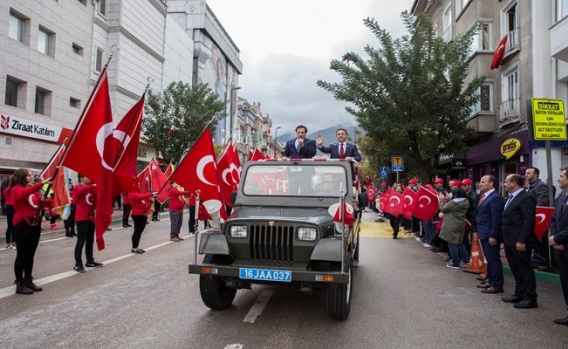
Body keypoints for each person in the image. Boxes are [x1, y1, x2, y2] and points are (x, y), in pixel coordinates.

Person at [11, 168, 51, 294]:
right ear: (21, 177)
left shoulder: (32, 190)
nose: (30, 177)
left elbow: (40, 203)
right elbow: (21, 195)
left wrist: (45, 200)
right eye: (28, 176)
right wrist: (40, 184)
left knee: (31, 254)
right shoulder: (16, 189)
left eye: (30, 175)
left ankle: (28, 279)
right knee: (22, 254)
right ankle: (19, 282)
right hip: (22, 224)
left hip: (35, 223)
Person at [500, 173, 538, 308]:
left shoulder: (526, 198)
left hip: (519, 241)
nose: (504, 184)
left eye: (506, 181)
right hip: (509, 240)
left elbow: (528, 221)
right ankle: (519, 293)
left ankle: (530, 297)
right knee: (515, 269)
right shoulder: (510, 198)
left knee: (524, 269)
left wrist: (522, 240)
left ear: (514, 183)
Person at [476, 175, 505, 294]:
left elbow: (496, 218)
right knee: (489, 259)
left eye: (483, 182)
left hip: (490, 234)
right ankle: (491, 280)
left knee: (494, 259)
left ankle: (497, 284)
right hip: (483, 232)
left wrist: (493, 235)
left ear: (491, 184)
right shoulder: (484, 196)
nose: (480, 184)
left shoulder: (495, 198)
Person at [548, 168, 568, 324]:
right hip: (560, 247)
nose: (558, 179)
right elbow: (554, 219)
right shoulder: (561, 196)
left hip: (564, 243)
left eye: (561, 176)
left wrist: (559, 238)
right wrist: (555, 239)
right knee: (565, 282)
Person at [73, 174, 104, 273]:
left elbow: (96, 198)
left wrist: (97, 188)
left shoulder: (90, 188)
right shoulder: (78, 187)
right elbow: (80, 191)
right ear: (81, 178)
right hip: (81, 218)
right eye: (87, 176)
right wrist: (93, 186)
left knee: (90, 240)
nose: (90, 178)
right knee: (81, 241)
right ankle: (78, 264)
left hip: (91, 217)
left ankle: (90, 261)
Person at [525, 167, 552, 269]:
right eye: (526, 173)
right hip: (532, 216)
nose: (526, 175)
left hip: (538, 218)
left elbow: (541, 203)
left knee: (539, 240)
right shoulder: (531, 186)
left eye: (528, 173)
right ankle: (537, 259)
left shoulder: (541, 186)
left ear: (535, 175)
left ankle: (540, 261)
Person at [438, 188, 470, 269]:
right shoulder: (465, 201)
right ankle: (467, 259)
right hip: (460, 224)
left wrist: (441, 200)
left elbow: (443, 209)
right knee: (459, 242)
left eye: (452, 193)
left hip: (451, 224)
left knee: (452, 243)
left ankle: (456, 263)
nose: (450, 194)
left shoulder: (453, 203)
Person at [128, 190, 155, 254]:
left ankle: (136, 247)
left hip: (143, 214)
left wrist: (152, 199)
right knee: (137, 231)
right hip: (137, 215)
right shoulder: (131, 193)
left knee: (140, 232)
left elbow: (146, 199)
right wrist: (151, 194)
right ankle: (134, 248)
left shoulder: (139, 193)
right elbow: (140, 197)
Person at [3, 176, 15, 249]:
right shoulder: (12, 189)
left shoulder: (5, 189)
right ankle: (13, 242)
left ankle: (8, 242)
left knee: (9, 225)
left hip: (8, 206)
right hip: (12, 206)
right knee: (13, 225)